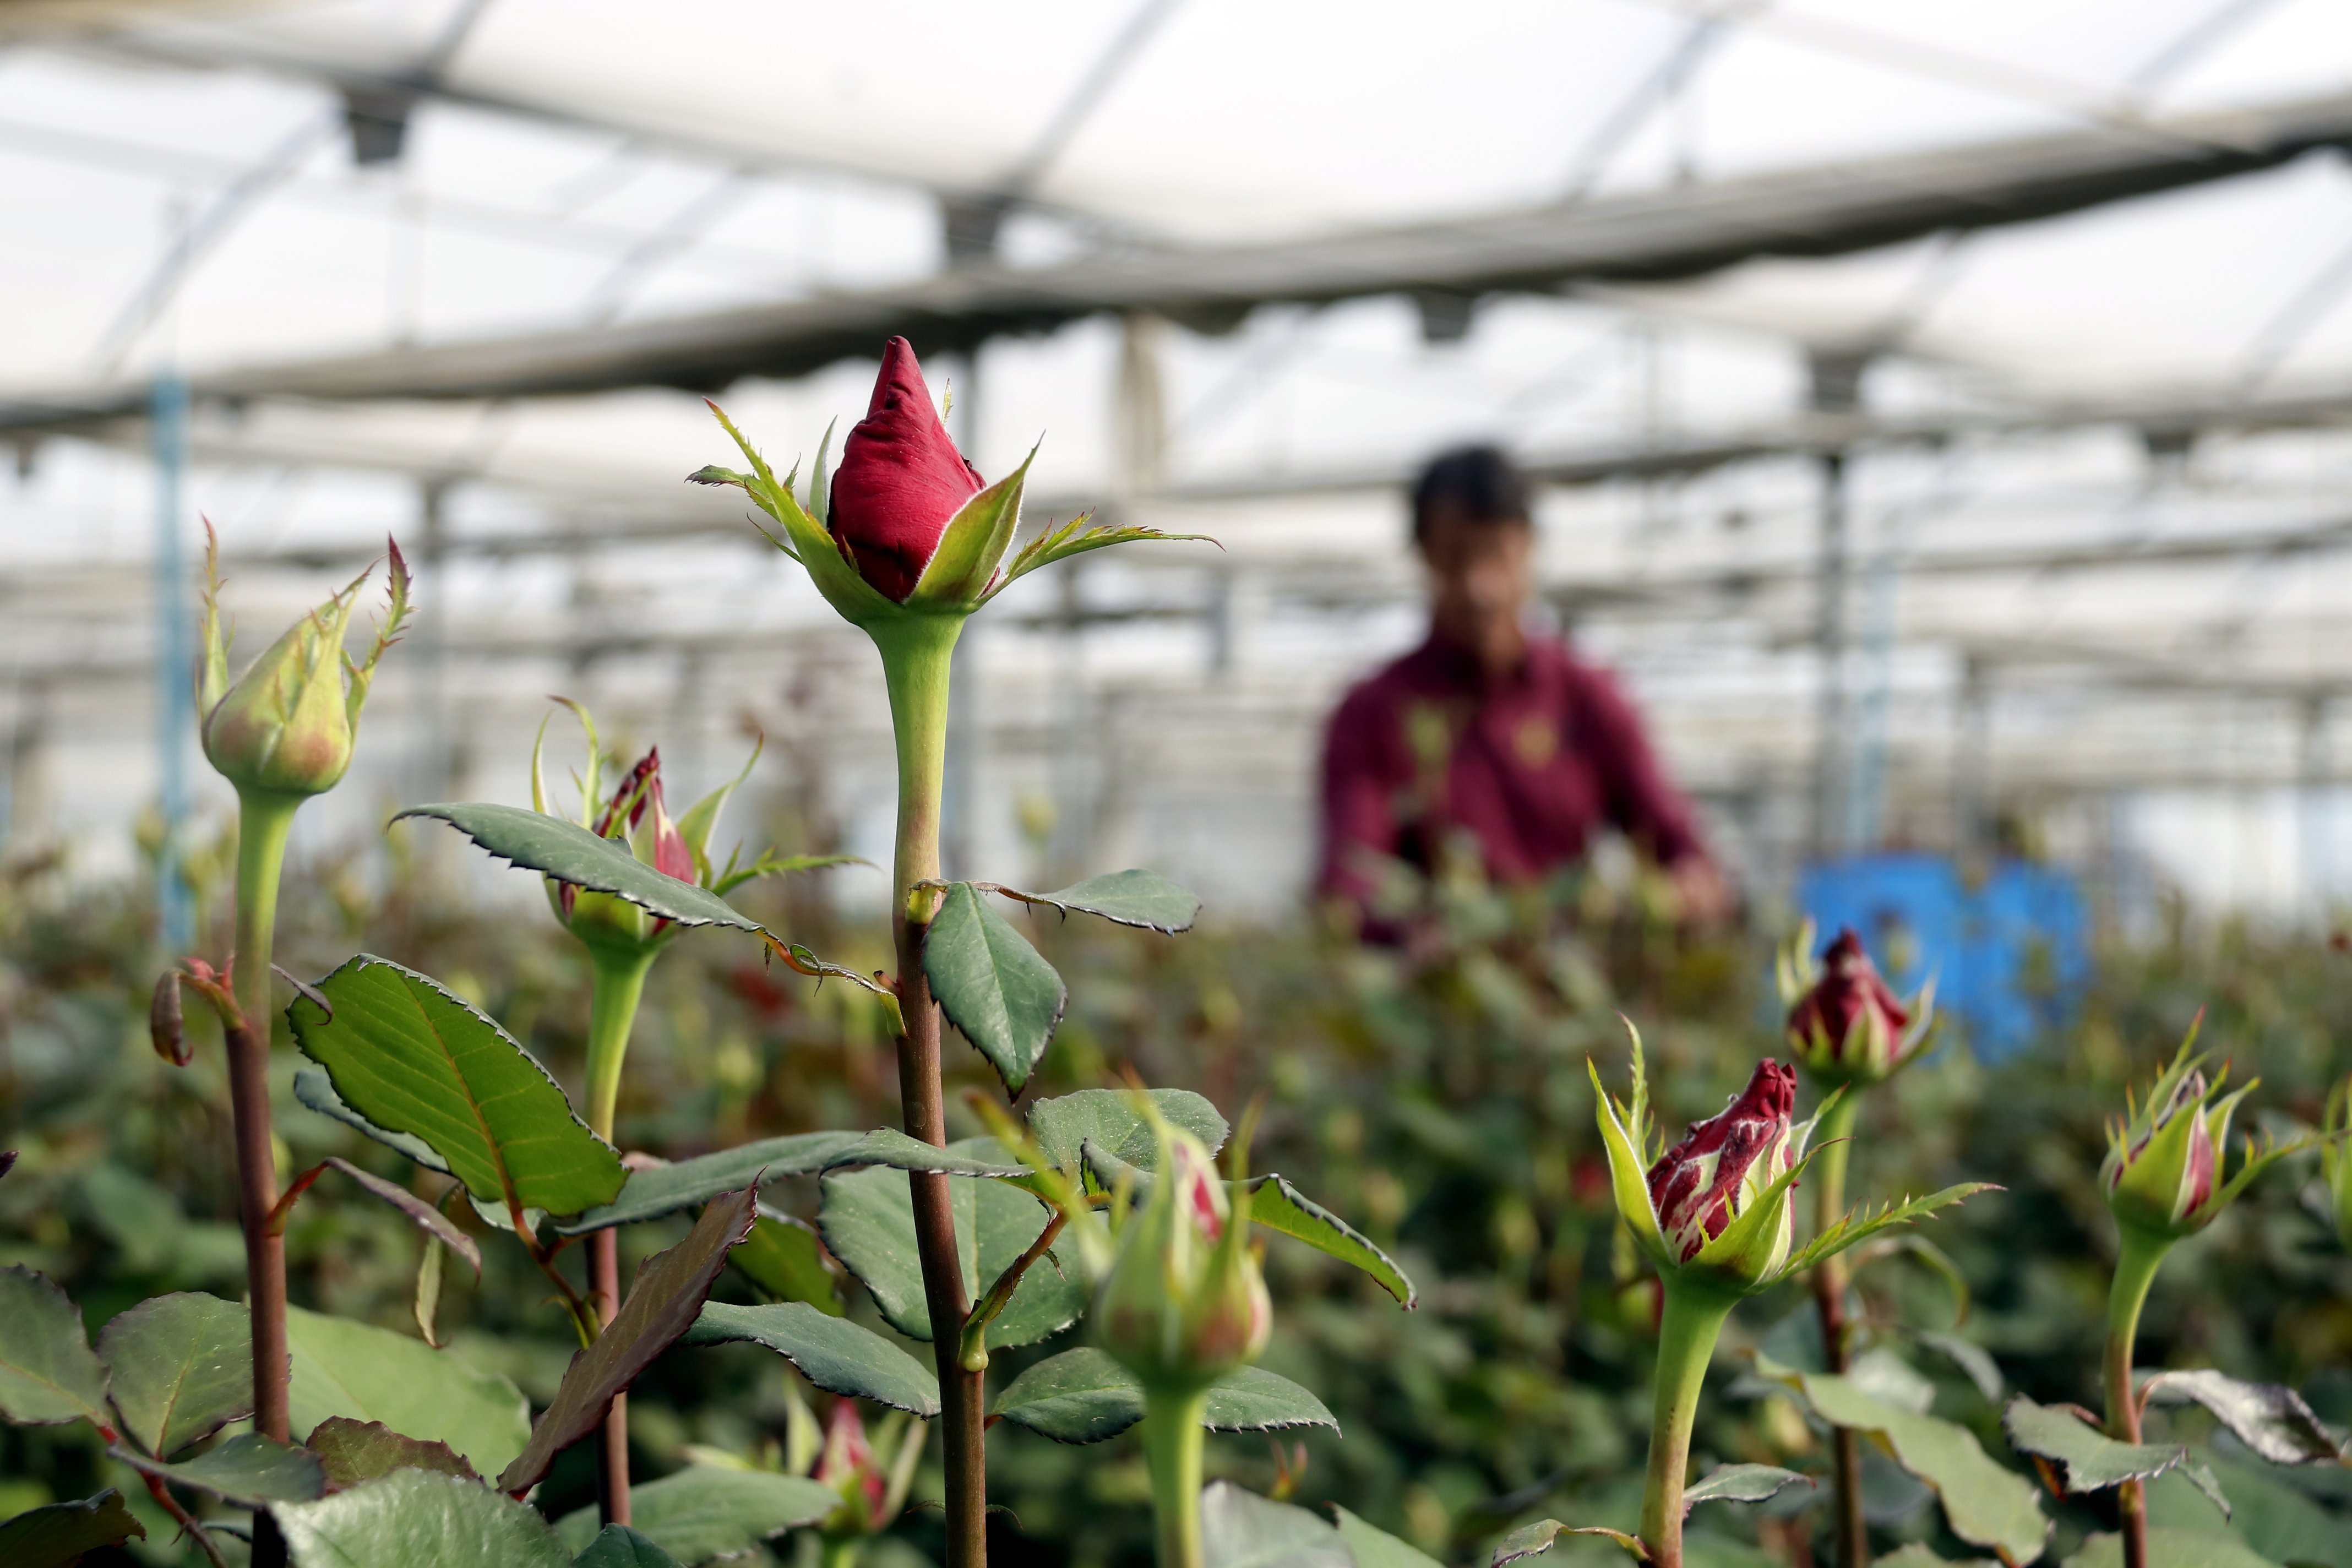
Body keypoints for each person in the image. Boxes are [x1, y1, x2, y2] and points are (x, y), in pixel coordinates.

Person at [1317, 445, 1733, 928]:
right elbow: (1352, 883)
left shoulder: (1584, 695)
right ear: (1423, 557)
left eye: (1496, 554)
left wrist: (1682, 891)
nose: (1479, 587)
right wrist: (1408, 933)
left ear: (1529, 548)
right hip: (1431, 987)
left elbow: (1679, 844)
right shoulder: (1373, 714)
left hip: (1578, 978)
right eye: (1454, 558)